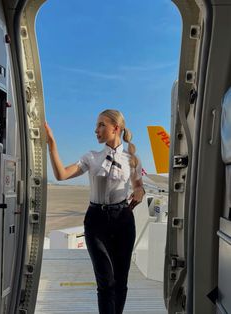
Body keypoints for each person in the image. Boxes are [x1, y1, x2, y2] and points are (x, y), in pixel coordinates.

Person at [45, 109, 145, 314]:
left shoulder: (132, 159)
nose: (96, 130)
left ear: (116, 128)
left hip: (123, 220)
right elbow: (61, 175)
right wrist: (51, 143)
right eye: (96, 125)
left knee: (121, 281)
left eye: (101, 125)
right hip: (96, 222)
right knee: (106, 282)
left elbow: (138, 186)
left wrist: (139, 193)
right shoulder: (91, 157)